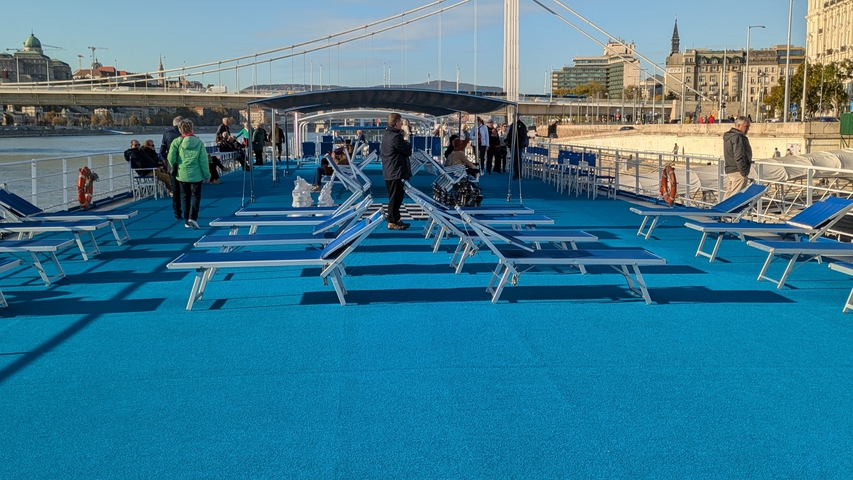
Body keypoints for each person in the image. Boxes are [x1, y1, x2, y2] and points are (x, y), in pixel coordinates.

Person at [168, 119, 210, 230]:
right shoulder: (199, 142)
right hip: (196, 174)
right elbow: (203, 160)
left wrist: (175, 164)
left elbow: (170, 157)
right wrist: (207, 174)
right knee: (196, 196)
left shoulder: (177, 142)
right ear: (192, 129)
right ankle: (193, 217)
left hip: (182, 173)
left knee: (185, 196)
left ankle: (186, 220)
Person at [380, 112, 413, 230]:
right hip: (395, 171)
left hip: (390, 170)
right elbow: (407, 151)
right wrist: (407, 142)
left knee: (395, 196)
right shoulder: (395, 137)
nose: (401, 124)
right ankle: (392, 220)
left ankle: (395, 218)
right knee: (395, 197)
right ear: (396, 123)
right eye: (400, 122)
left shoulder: (387, 135)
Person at [722, 116, 753, 200]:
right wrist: (743, 172)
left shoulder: (729, 137)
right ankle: (729, 213)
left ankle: (720, 212)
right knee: (734, 199)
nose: (748, 129)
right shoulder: (738, 137)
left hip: (730, 169)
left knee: (728, 196)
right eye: (746, 126)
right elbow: (738, 155)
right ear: (739, 126)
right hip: (738, 171)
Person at [159, 116, 184, 219]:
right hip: (184, 165)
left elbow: (161, 151)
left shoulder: (166, 134)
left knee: (175, 189)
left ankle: (177, 212)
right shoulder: (184, 134)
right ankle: (188, 212)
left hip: (172, 165)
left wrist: (167, 159)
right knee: (186, 189)